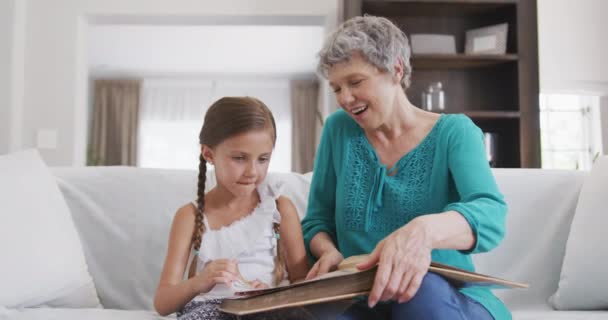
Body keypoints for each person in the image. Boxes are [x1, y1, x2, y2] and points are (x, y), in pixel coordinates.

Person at [302, 16, 509, 320]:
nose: (345, 98)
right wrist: (328, 252)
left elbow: (491, 215)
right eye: (336, 88)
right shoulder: (338, 130)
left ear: (396, 70)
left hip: (443, 295)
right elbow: (316, 222)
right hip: (361, 297)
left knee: (421, 297)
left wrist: (423, 231)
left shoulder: (455, 132)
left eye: (355, 82)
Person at [154, 97, 312, 320]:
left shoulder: (280, 208)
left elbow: (302, 283)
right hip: (209, 309)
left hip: (266, 308)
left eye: (263, 159)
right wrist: (199, 282)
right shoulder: (189, 216)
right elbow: (162, 302)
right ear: (209, 154)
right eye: (239, 158)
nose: (252, 171)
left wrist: (272, 295)